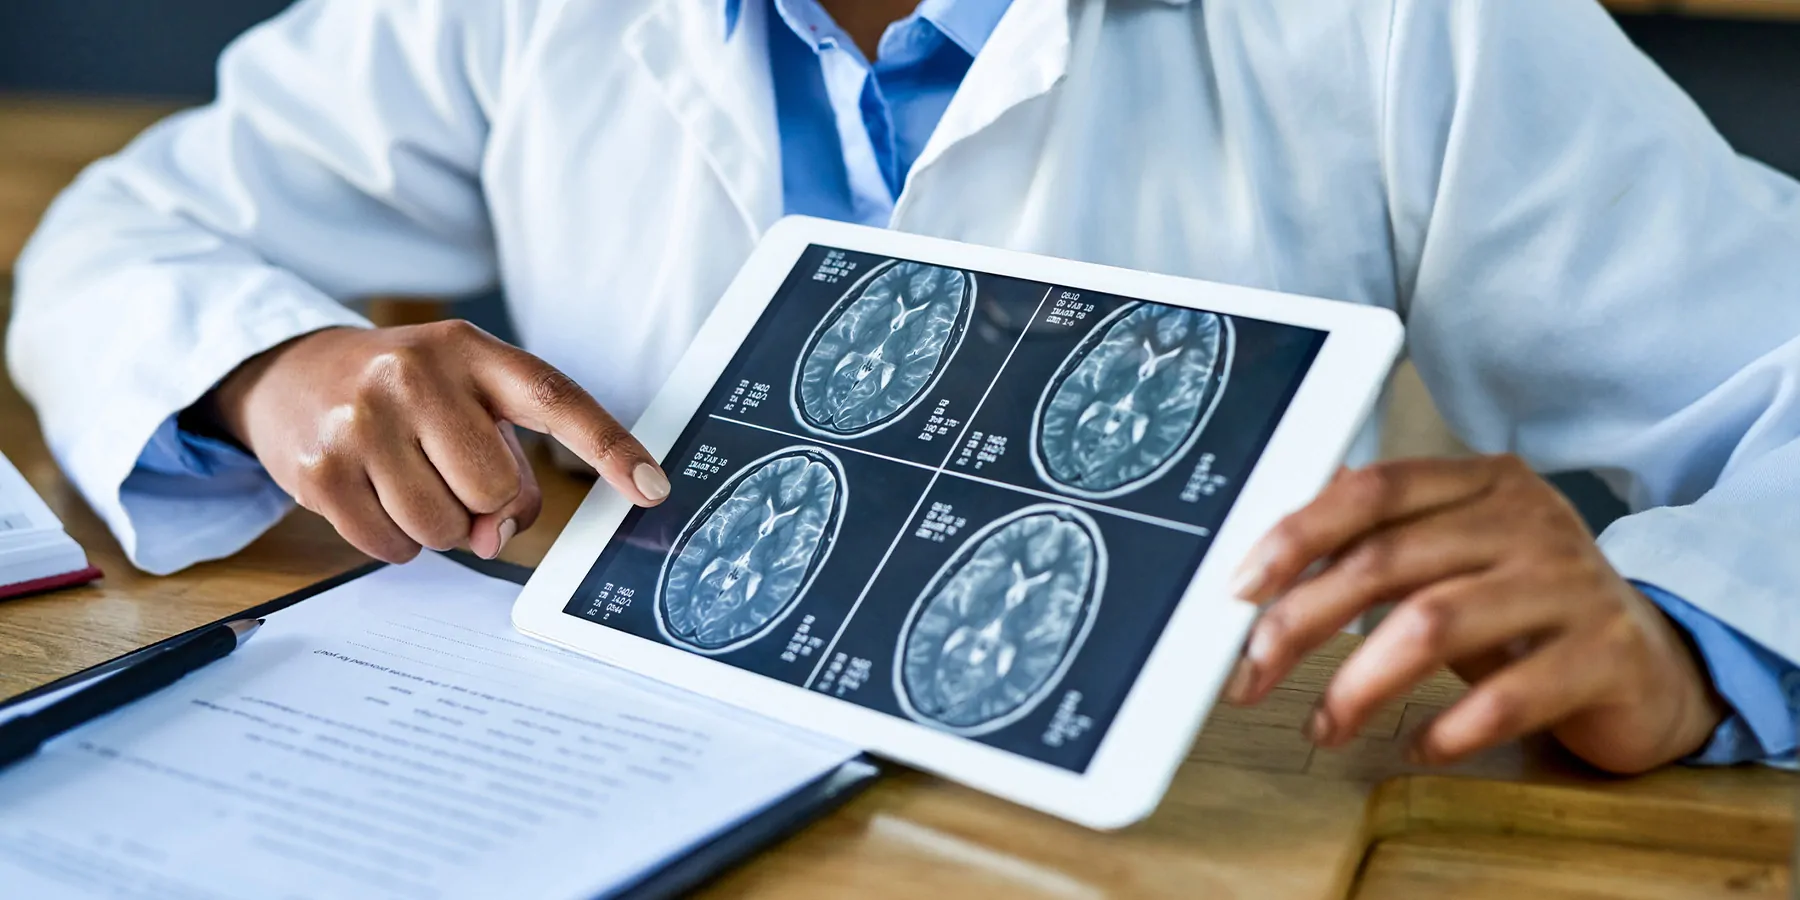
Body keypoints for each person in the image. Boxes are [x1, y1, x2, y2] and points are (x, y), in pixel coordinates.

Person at [8, 0, 1797, 775]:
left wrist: (1685, 647)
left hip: (1192, 827)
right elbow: (128, 229)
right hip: (623, 785)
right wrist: (273, 367)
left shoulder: (1403, 24)